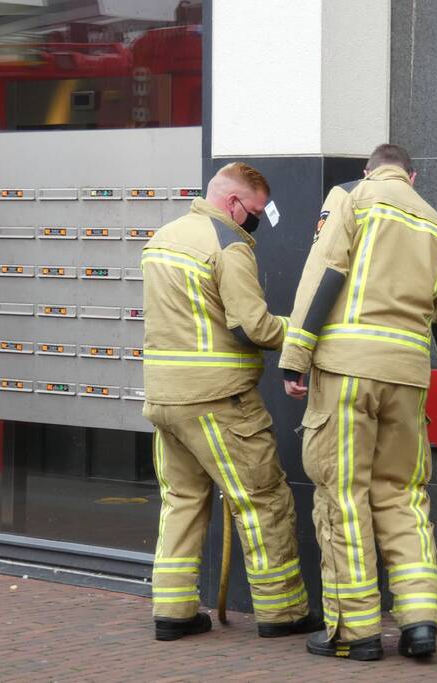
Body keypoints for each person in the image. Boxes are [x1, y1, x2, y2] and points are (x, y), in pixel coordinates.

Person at [279, 143, 437, 661]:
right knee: (403, 496)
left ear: (369, 170)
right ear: (413, 176)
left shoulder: (351, 196)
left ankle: (355, 630)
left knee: (344, 496)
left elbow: (324, 273)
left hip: (347, 371)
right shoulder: (433, 220)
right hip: (407, 377)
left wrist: (295, 356)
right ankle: (420, 621)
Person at [140, 162, 320, 642]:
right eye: (255, 212)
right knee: (263, 501)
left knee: (181, 501)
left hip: (165, 399)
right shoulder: (228, 244)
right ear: (233, 202)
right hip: (219, 400)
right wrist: (302, 333)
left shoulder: (163, 238)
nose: (255, 221)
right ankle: (283, 612)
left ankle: (173, 613)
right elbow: (252, 326)